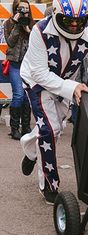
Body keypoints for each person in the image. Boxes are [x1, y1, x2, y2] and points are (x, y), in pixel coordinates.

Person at [20, 0, 88, 204]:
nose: (74, 26)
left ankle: (31, 150)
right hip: (37, 81)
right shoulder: (40, 31)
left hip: (66, 81)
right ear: (57, 15)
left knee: (56, 129)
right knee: (49, 130)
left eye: (79, 21)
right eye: (68, 21)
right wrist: (72, 88)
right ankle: (49, 185)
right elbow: (40, 73)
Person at [3, 0, 35, 140]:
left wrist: (28, 29)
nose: (23, 11)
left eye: (26, 9)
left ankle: (26, 127)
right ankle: (14, 128)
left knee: (27, 97)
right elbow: (10, 42)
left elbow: (36, 44)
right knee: (18, 95)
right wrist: (16, 25)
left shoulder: (33, 24)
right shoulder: (8, 23)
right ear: (16, 9)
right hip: (15, 64)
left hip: (29, 65)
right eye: (20, 8)